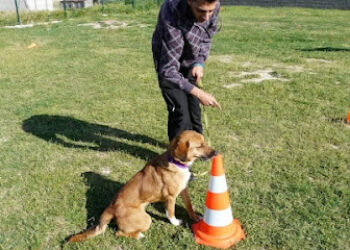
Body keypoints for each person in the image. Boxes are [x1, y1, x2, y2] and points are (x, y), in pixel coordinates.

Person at [152, 0, 222, 142]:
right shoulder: (171, 15)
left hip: (191, 61)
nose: (207, 17)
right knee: (180, 112)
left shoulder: (213, 5)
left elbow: (207, 37)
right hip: (168, 62)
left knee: (194, 110)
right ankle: (177, 156)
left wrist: (199, 62)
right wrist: (199, 93)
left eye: (211, 11)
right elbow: (168, 70)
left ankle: (197, 147)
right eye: (201, 11)